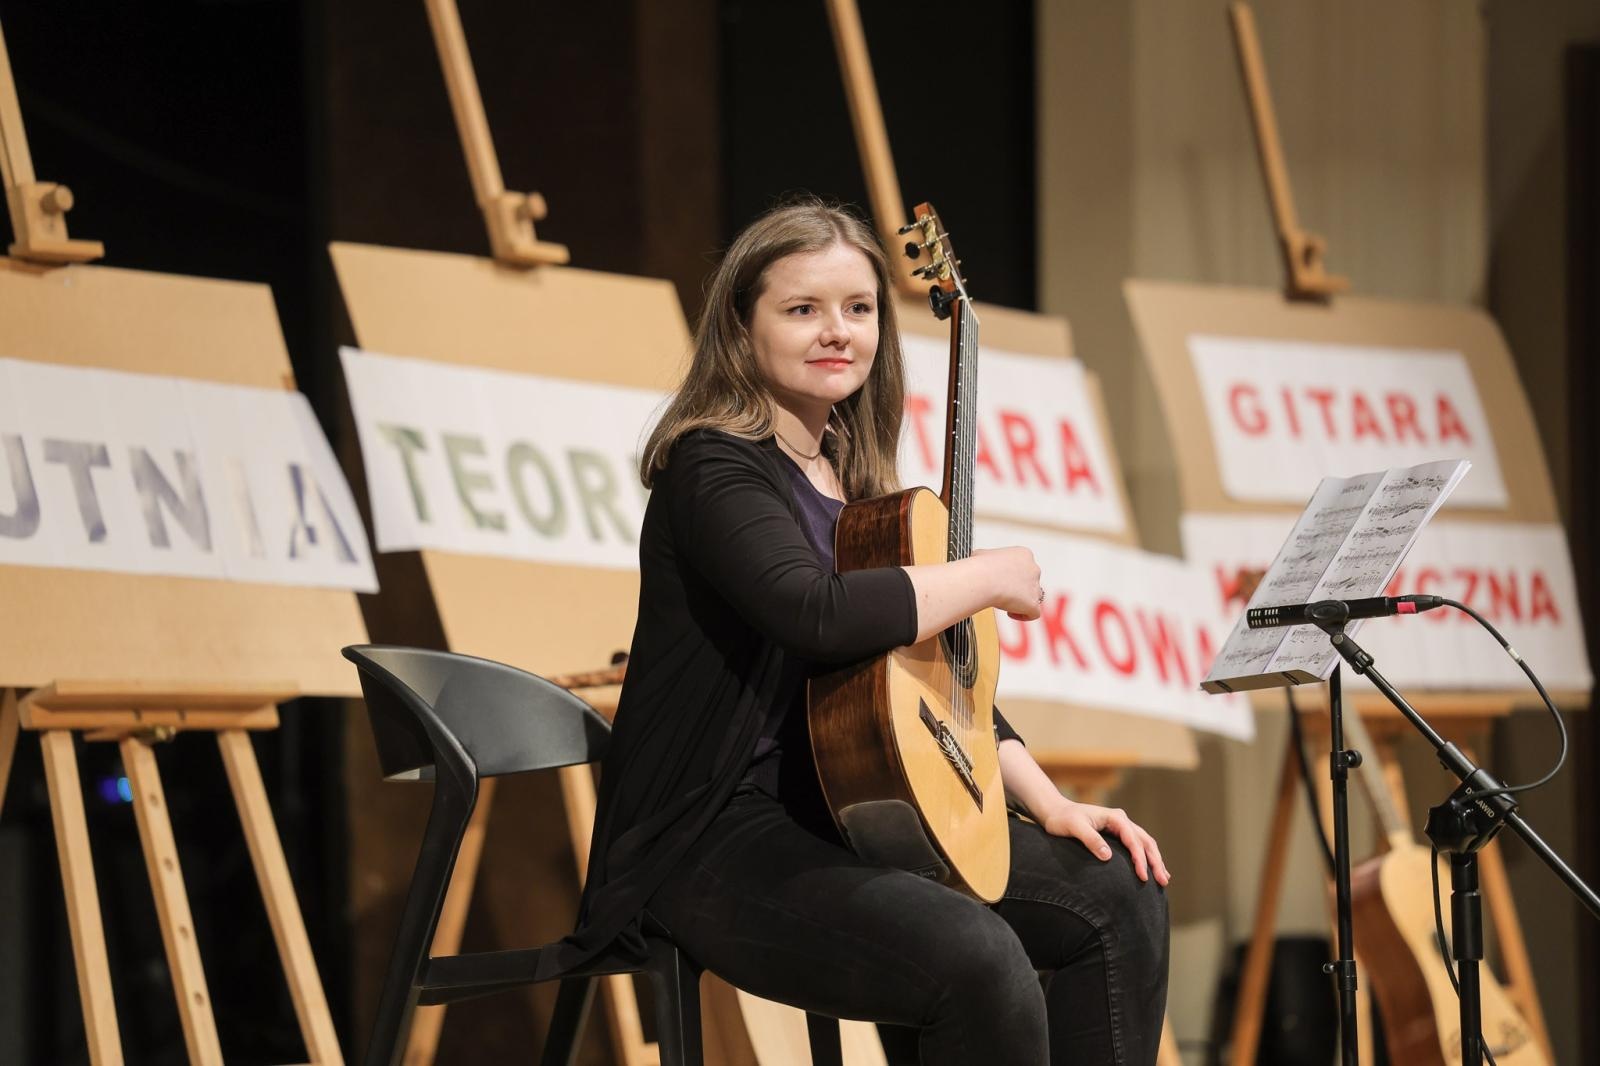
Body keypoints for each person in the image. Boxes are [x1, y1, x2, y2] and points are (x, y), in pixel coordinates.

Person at [560, 199, 1170, 1065]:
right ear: (742, 326)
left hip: (853, 812)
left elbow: (939, 692)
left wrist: (1051, 803)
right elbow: (813, 614)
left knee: (1118, 889)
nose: (835, 332)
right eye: (801, 309)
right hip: (714, 839)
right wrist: (988, 575)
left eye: (858, 308)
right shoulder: (714, 466)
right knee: (975, 956)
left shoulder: (857, 481)